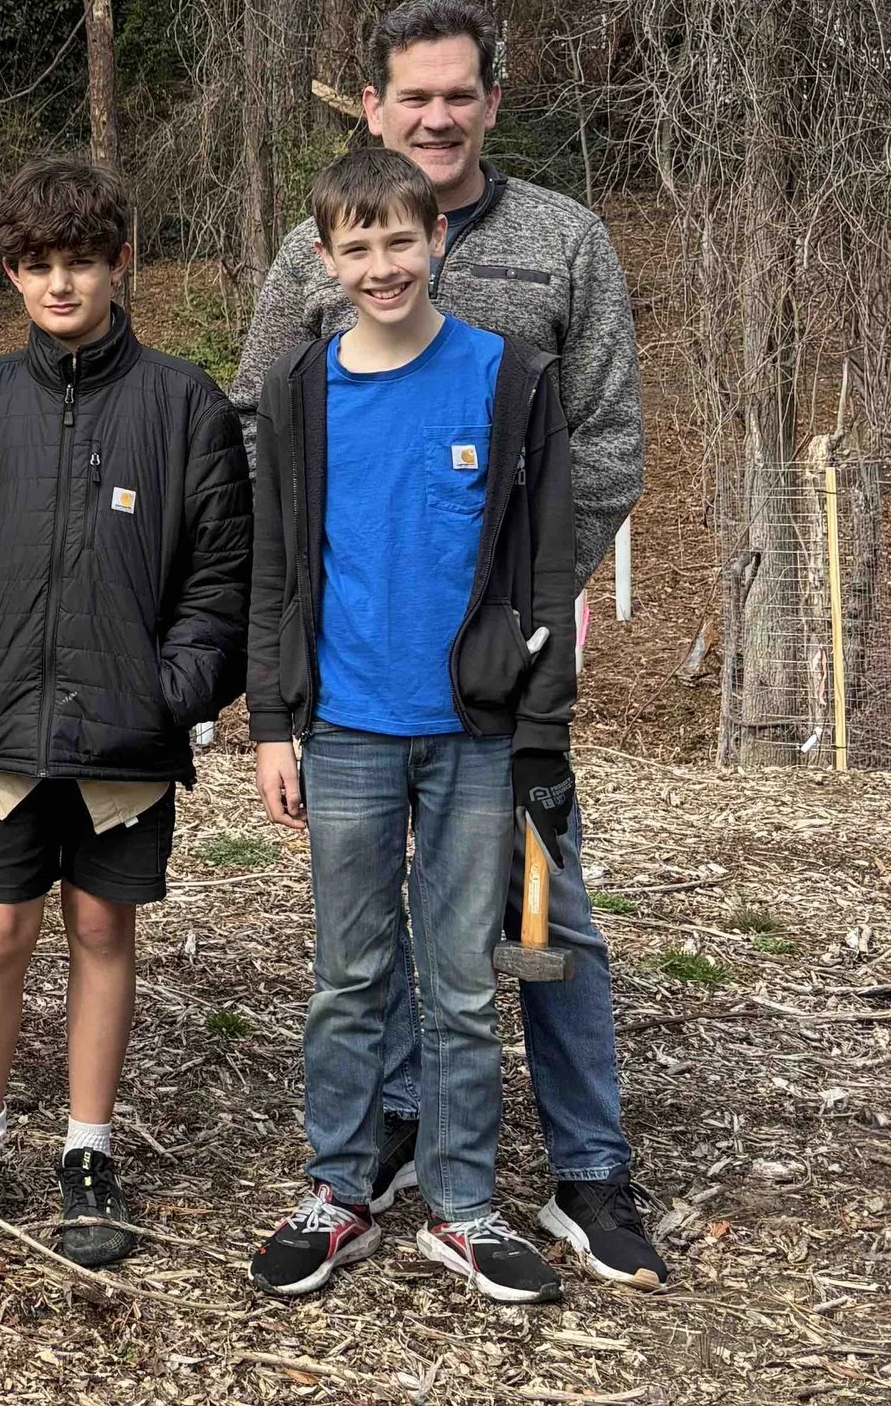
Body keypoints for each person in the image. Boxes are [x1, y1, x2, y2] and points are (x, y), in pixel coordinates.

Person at [229, 0, 662, 1290]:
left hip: (508, 670)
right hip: (362, 677)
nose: (436, 115)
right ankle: (389, 1134)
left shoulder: (563, 241)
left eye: (458, 93)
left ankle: (587, 1165)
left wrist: (525, 600)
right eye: (411, 95)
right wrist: (269, 677)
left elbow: (608, 441)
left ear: (490, 99)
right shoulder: (318, 255)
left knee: (539, 910)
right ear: (374, 105)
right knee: (367, 949)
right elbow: (260, 425)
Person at [243, 147, 578, 1305]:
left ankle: (464, 1203)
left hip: (473, 733)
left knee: (465, 981)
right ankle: (338, 1186)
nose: (380, 264)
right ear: (325, 261)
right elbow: (277, 564)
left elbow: (544, 569)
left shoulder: (509, 379)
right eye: (356, 246)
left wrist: (542, 727)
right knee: (349, 970)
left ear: (437, 239)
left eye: (400, 239)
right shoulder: (300, 389)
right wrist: (271, 721)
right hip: (343, 728)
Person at [0, 157, 249, 1267]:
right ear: (10, 272)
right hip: (1, 729)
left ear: (119, 262)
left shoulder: (181, 399)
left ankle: (88, 1146)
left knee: (102, 927)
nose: (61, 284)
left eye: (82, 262)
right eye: (38, 265)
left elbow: (217, 575)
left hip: (124, 738)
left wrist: (173, 691)